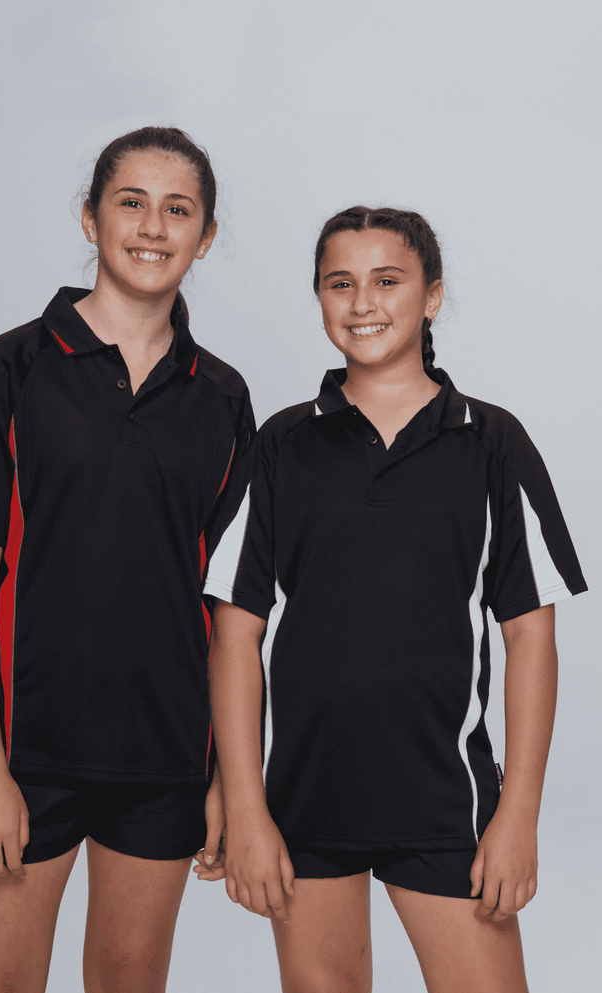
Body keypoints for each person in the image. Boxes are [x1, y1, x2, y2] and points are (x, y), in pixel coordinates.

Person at [195, 206, 587, 993]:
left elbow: (531, 640)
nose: (363, 301)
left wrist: (518, 818)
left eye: (387, 280)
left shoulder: (492, 443)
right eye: (340, 283)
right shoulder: (281, 445)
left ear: (432, 296)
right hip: (305, 796)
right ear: (319, 297)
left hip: (445, 798)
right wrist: (247, 806)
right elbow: (234, 636)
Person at [0, 126, 253, 993]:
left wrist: (228, 773)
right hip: (25, 753)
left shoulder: (223, 396)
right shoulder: (13, 367)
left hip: (164, 760)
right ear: (91, 219)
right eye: (131, 202)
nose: (153, 226)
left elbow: (233, 610)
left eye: (178, 209)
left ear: (206, 235)